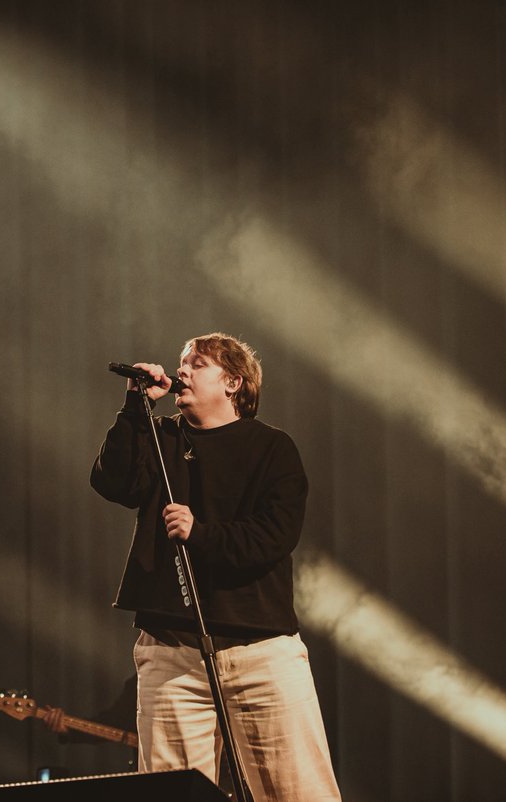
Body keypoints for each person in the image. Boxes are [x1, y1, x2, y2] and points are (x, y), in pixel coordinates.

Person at [90, 332, 342, 801]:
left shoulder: (272, 449)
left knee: (298, 791)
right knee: (172, 794)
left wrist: (200, 533)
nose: (180, 371)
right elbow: (113, 482)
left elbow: (274, 537)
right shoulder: (160, 436)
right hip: (172, 653)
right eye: (181, 362)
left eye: (197, 364)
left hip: (260, 654)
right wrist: (134, 408)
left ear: (233, 382)